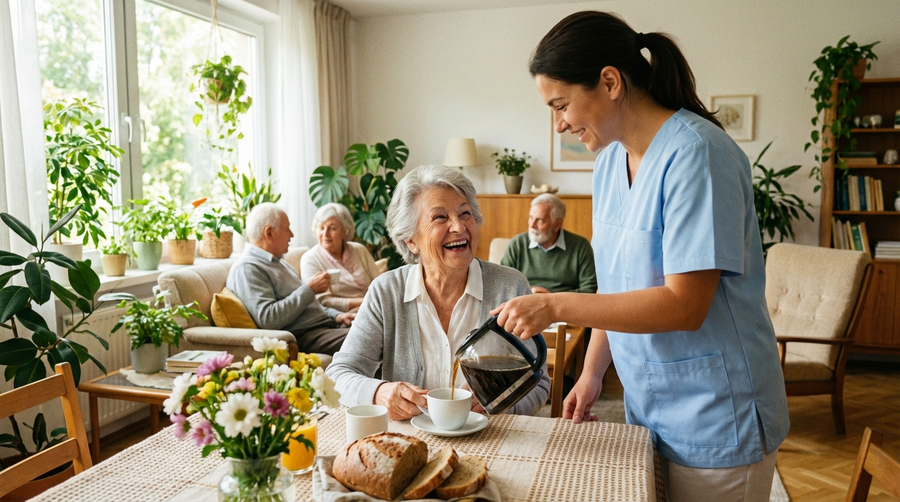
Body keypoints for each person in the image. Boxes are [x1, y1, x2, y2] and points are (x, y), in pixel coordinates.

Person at [491, 11, 789, 502]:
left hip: (717, 409)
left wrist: (556, 306)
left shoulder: (698, 153)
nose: (560, 122)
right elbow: (616, 286)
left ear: (609, 81)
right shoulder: (609, 162)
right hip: (649, 404)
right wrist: (591, 373)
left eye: (561, 104)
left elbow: (684, 305)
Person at [326, 165, 550, 420]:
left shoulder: (509, 287)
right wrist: (379, 392)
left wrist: (500, 404)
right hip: (409, 445)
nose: (459, 226)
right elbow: (339, 373)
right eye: (440, 218)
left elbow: (539, 383)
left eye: (465, 214)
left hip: (491, 441)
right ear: (410, 240)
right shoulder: (386, 292)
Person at [226, 203, 354, 356]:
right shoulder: (248, 268)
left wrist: (337, 315)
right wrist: (309, 289)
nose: (292, 235)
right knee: (374, 338)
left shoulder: (278, 261)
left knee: (380, 328)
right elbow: (269, 319)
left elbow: (308, 305)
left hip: (326, 326)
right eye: (287, 229)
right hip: (306, 335)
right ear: (269, 233)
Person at [501, 193, 597, 293]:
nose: (532, 225)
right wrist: (529, 293)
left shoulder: (580, 246)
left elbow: (589, 290)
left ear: (557, 224)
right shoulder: (517, 244)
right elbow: (502, 283)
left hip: (564, 307)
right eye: (530, 218)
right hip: (524, 303)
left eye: (540, 220)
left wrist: (552, 300)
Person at [300, 203, 382, 312]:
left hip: (375, 308)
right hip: (346, 315)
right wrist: (368, 302)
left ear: (345, 231)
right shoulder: (309, 259)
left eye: (332, 228)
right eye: (321, 228)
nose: (325, 234)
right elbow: (323, 301)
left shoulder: (359, 250)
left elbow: (380, 283)